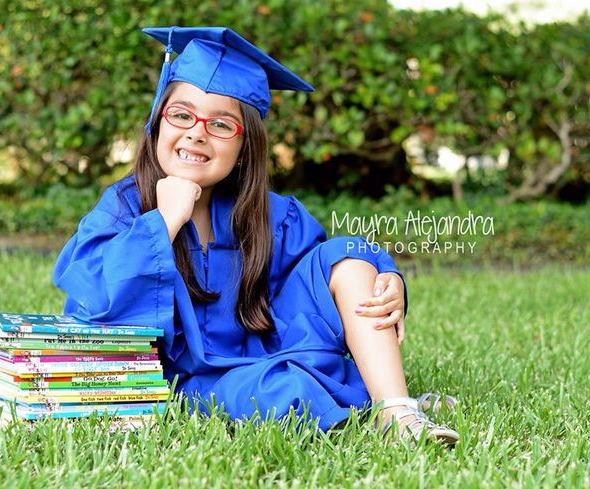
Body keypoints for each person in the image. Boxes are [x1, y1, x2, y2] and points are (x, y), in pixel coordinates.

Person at [52, 26, 459, 445]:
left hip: (268, 351)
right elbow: (94, 302)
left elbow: (324, 274)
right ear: (157, 121)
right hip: (191, 380)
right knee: (283, 393)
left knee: (351, 258)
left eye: (222, 125)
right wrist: (163, 223)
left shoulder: (273, 214)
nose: (196, 132)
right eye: (182, 115)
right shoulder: (123, 207)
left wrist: (386, 277)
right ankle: (359, 391)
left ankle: (396, 410)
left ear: (246, 146)